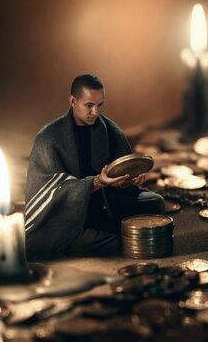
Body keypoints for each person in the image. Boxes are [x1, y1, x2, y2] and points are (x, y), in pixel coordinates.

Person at [24, 74, 165, 259]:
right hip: (70, 212)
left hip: (106, 202)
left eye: (100, 105)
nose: (95, 113)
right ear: (73, 101)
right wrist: (97, 182)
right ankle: (90, 238)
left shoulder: (110, 129)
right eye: (89, 105)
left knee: (156, 202)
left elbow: (122, 173)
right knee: (120, 242)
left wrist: (128, 182)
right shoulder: (48, 138)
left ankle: (108, 233)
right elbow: (49, 193)